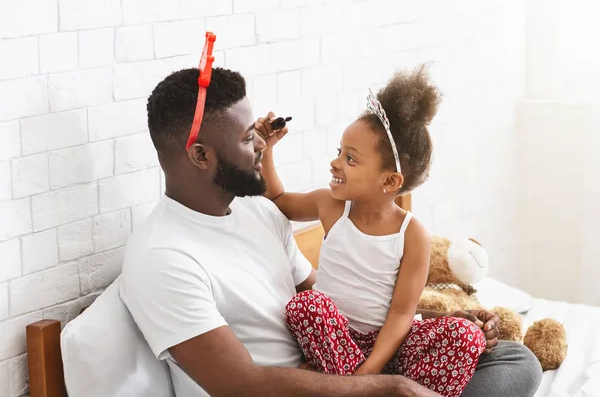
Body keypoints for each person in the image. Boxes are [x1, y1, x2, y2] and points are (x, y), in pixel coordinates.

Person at [119, 66, 543, 397]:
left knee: (513, 358)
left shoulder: (256, 213)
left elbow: (341, 297)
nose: (263, 145)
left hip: (348, 359)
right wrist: (387, 387)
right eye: (250, 138)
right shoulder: (163, 258)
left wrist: (434, 318)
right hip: (308, 387)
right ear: (200, 155)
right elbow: (241, 388)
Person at [256, 66, 486, 396]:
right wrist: (266, 151)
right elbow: (277, 199)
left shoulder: (412, 234)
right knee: (305, 306)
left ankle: (370, 388)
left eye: (351, 159)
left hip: (389, 344)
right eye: (339, 152)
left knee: (466, 335)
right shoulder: (330, 205)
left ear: (389, 181)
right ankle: (363, 390)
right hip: (337, 341)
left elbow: (402, 312)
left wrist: (371, 370)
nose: (335, 163)